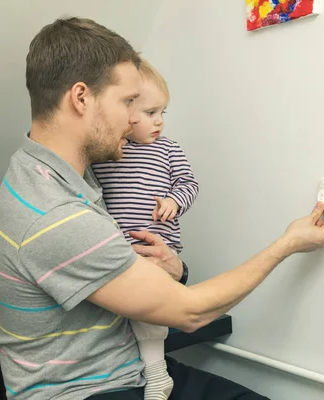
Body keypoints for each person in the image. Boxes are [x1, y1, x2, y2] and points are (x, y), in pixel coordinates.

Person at [0, 17, 324, 400]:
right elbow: (191, 313)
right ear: (81, 98)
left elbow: (125, 278)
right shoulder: (53, 213)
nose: (134, 118)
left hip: (131, 371)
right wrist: (288, 243)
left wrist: (175, 268)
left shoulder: (63, 173)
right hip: (84, 392)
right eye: (127, 102)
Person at [92, 56, 199, 400]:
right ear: (126, 113)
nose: (160, 123)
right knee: (123, 313)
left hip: (158, 248)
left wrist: (175, 200)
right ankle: (142, 370)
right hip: (121, 250)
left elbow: (189, 183)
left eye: (163, 113)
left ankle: (156, 374)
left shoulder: (168, 149)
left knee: (148, 311)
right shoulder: (108, 154)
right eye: (151, 113)